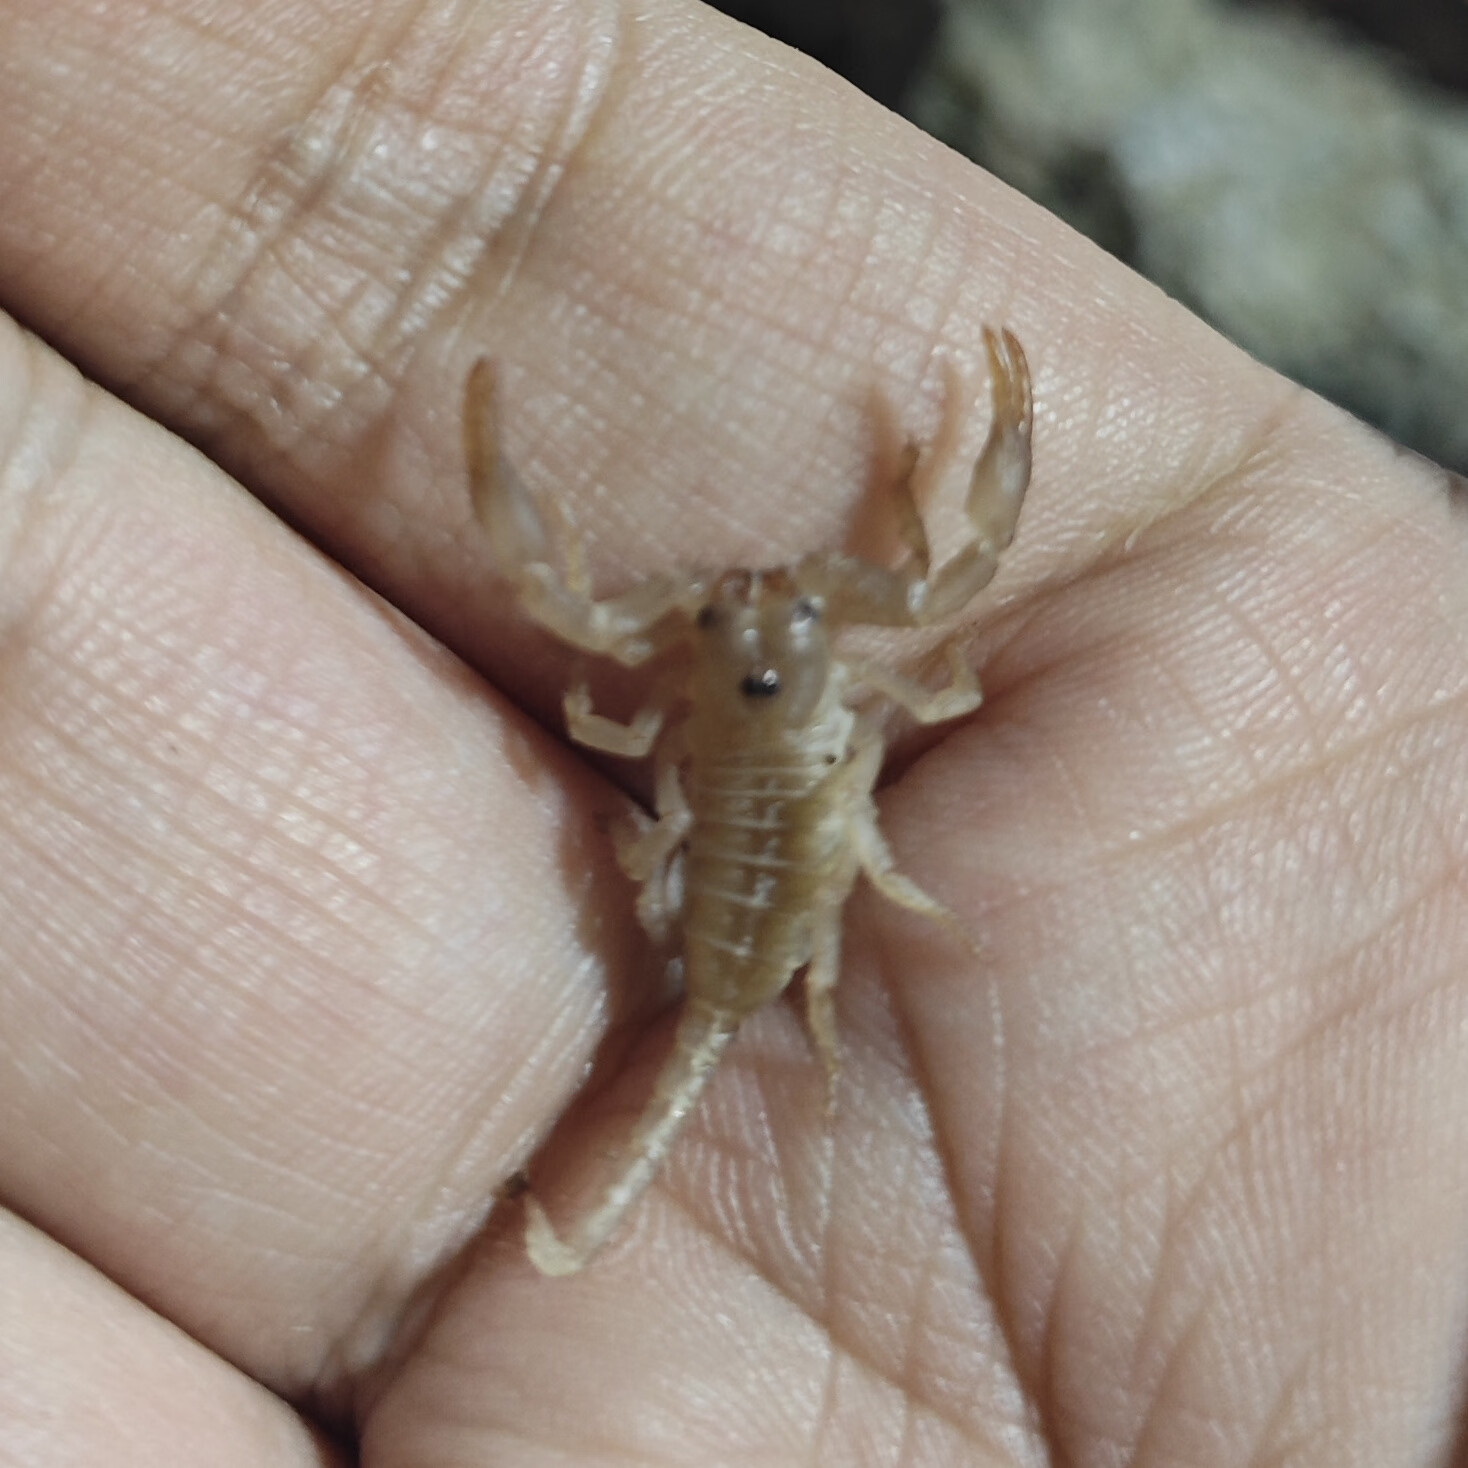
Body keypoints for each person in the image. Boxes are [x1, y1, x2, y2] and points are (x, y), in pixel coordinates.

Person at [1, 2, 1465, 1463]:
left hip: (757, 868)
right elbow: (857, 621)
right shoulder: (804, 671)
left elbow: (596, 636)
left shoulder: (712, 677)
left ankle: (738, 1054)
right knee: (788, 864)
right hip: (746, 876)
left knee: (789, 876)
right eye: (746, 625)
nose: (758, 613)